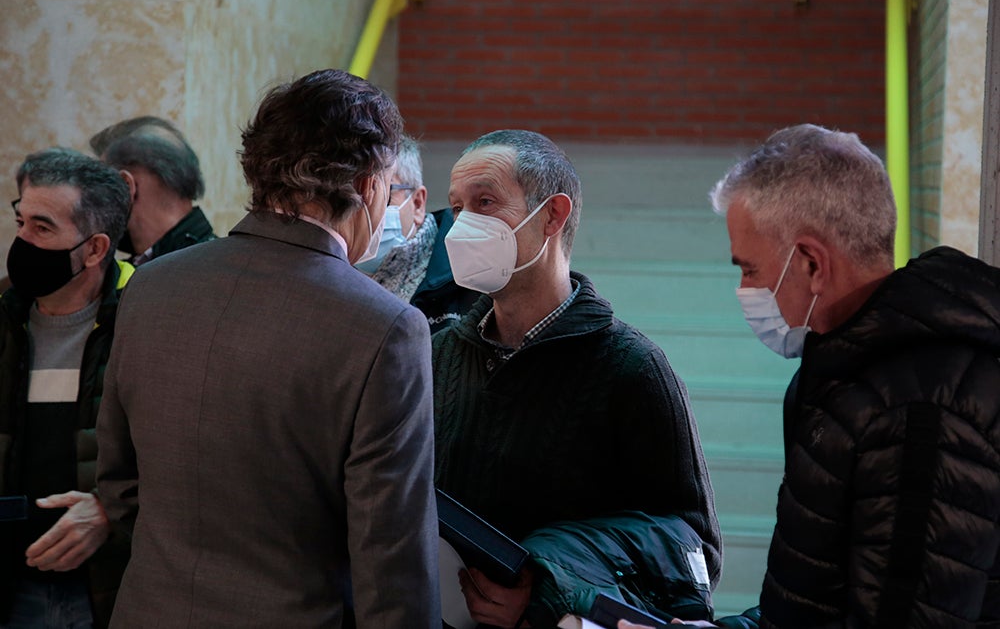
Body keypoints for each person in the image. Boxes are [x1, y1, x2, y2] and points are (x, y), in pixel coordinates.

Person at [96, 69, 440, 628]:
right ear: (369, 184)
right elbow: (392, 557)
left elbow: (118, 484)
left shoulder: (151, 286)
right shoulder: (386, 328)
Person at [623, 123, 1000, 629]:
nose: (744, 289)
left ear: (811, 263)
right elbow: (811, 607)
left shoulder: (918, 412)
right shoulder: (842, 370)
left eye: (750, 269)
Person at [432, 129, 722, 628]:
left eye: (485, 203)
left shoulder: (633, 368)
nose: (461, 228)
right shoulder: (435, 354)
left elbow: (691, 547)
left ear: (552, 215)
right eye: (457, 209)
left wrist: (549, 585)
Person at [0, 148, 133, 628]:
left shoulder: (145, 322)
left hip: (106, 588)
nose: (21, 241)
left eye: (43, 228)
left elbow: (181, 455)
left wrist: (109, 509)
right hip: (11, 586)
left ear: (95, 250)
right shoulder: (4, 315)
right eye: (21, 221)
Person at [356, 134, 479, 333]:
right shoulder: (327, 278)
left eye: (383, 193)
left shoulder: (468, 275)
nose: (367, 208)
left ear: (418, 203)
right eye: (355, 196)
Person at [90, 115, 215, 265]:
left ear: (125, 186)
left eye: (103, 186)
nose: (96, 203)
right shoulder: (218, 262)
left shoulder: (197, 269)